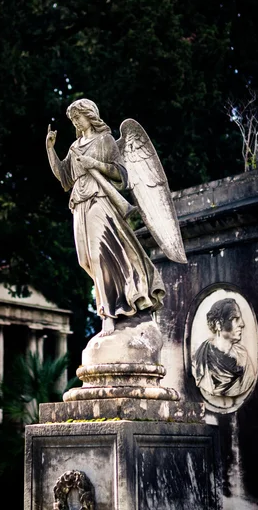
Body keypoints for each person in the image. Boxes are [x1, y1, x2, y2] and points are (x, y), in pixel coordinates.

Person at [46, 98, 165, 336]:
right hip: (78, 202)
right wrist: (50, 149)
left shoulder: (105, 140)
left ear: (89, 115)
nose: (75, 122)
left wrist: (95, 163)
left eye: (77, 117)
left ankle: (108, 314)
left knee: (100, 256)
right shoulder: (74, 146)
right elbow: (64, 178)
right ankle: (113, 300)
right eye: (73, 119)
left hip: (99, 199)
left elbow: (121, 174)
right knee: (85, 259)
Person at [192, 299, 255, 397]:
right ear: (218, 324)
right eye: (235, 318)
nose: (242, 324)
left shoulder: (243, 357)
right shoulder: (200, 358)